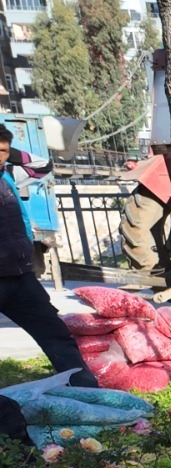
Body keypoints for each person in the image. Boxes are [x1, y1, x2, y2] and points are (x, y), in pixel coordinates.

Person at [0, 126, 96, 388]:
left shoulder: (8, 174)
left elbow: (42, 167)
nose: (0, 157)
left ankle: (89, 394)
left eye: (4, 151)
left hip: (20, 278)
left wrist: (11, 153)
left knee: (56, 334)